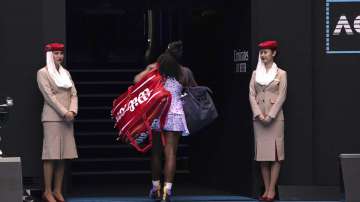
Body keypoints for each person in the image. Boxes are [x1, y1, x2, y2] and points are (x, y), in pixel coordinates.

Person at [37, 43, 78, 202]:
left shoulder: (66, 73)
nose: (59, 56)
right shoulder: (43, 73)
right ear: (49, 55)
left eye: (61, 53)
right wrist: (65, 112)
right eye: (56, 53)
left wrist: (73, 111)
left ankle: (57, 190)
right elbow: (49, 97)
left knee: (63, 155)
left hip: (67, 118)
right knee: (50, 155)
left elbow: (74, 94)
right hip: (52, 118)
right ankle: (47, 191)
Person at [249, 40, 287, 202]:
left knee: (276, 155)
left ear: (274, 53)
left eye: (266, 52)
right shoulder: (255, 74)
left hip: (275, 118)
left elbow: (282, 96)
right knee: (263, 156)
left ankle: (272, 190)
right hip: (259, 119)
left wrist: (270, 115)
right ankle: (266, 190)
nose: (263, 55)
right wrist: (258, 114)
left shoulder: (281, 73)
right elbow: (251, 95)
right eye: (261, 52)